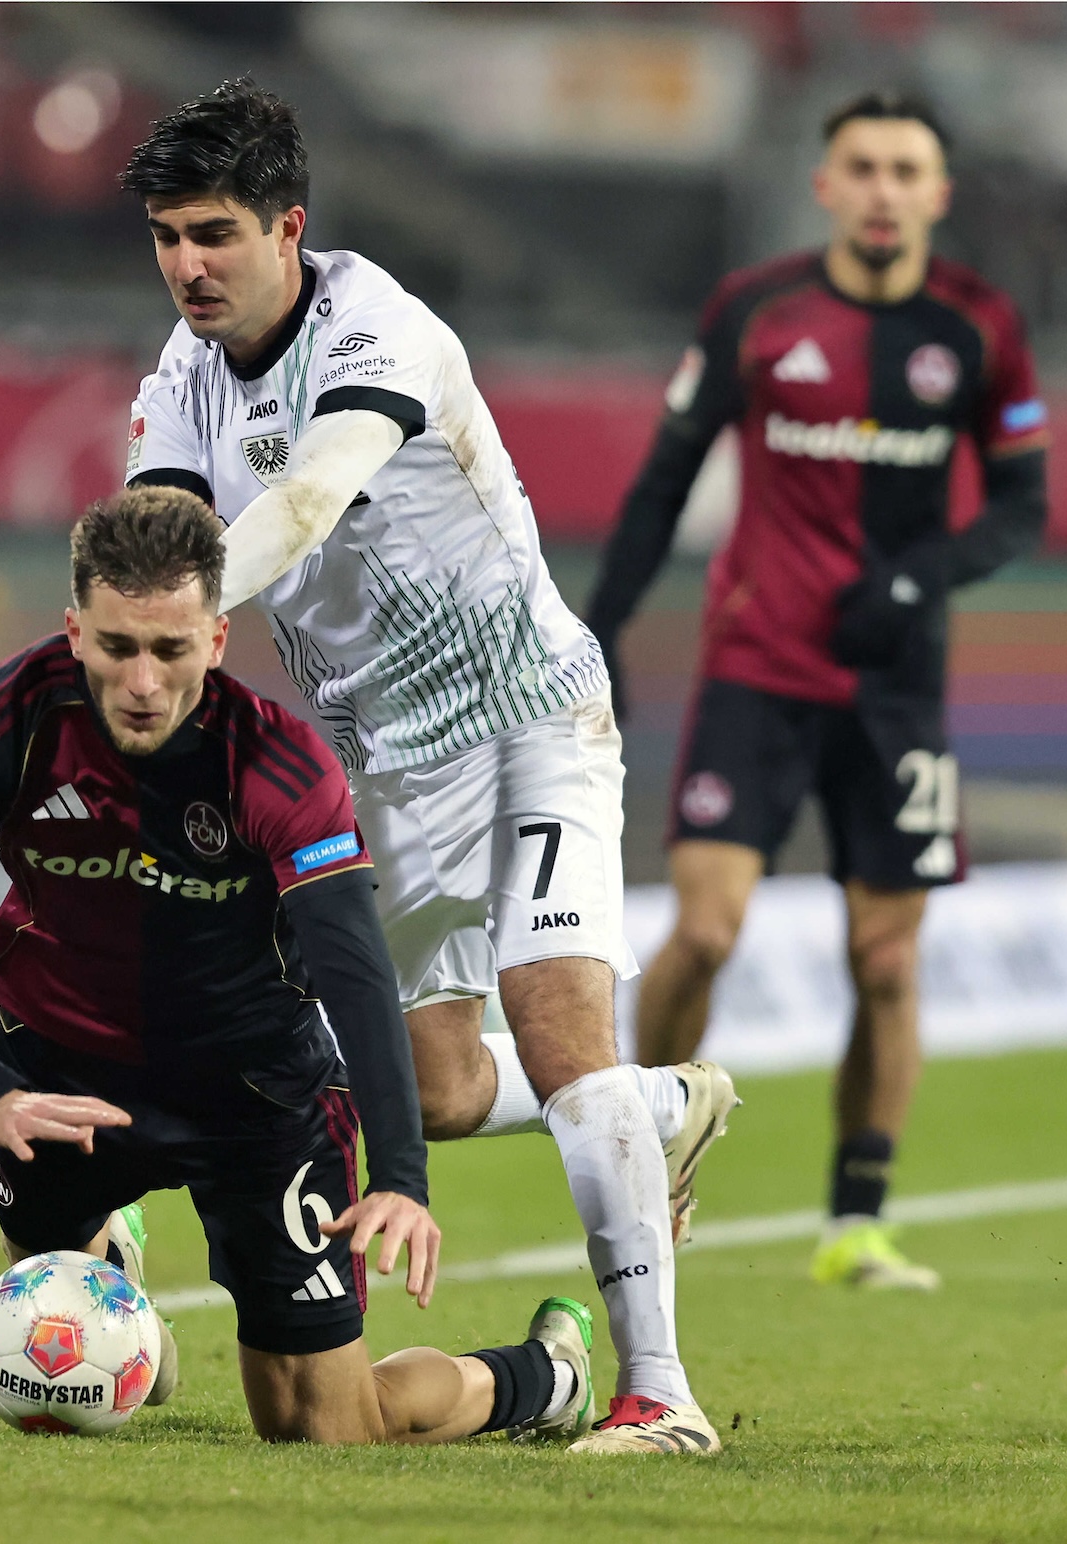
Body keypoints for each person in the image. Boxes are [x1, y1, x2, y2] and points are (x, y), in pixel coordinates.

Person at [117, 80, 730, 1455]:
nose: (186, 267)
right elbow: (157, 535)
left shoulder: (378, 326)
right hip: (390, 767)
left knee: (560, 1019)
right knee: (440, 1089)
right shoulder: (178, 379)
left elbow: (313, 495)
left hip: (534, 717)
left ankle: (660, 1392)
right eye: (165, 238)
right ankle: (661, 1110)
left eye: (212, 233)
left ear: (291, 226)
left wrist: (186, 615)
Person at [0, 486, 599, 1447]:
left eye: (170, 650)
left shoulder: (279, 767)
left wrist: (402, 1174)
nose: (144, 683)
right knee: (51, 1392)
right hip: (60, 1086)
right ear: (75, 631)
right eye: (117, 647)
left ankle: (545, 1376)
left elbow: (357, 978)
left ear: (217, 639)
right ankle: (113, 1263)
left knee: (326, 1431)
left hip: (254, 1098)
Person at [584, 92, 1050, 1292]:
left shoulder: (979, 326)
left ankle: (856, 1218)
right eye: (863, 166)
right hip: (754, 669)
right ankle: (647, 1163)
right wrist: (601, 626)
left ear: (937, 194)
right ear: (825, 184)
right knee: (703, 929)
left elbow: (1019, 503)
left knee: (884, 960)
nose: (885, 188)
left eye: (907, 169)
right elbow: (662, 478)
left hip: (897, 690)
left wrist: (919, 578)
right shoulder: (755, 310)